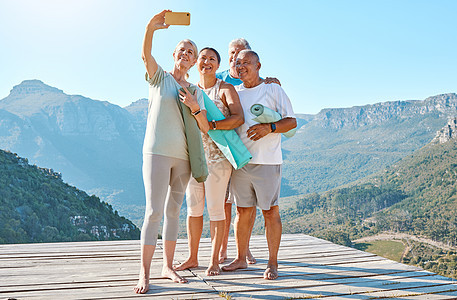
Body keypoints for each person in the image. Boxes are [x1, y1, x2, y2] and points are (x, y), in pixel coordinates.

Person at [134, 10, 210, 294]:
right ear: (175, 54)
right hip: (156, 154)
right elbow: (145, 55)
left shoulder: (196, 91)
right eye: (182, 49)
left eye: (191, 52)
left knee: (173, 212)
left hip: (183, 158)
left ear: (194, 60)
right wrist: (150, 27)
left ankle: (167, 267)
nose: (187, 54)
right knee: (153, 212)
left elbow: (204, 127)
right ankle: (144, 274)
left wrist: (194, 105)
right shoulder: (159, 78)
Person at [222, 50, 297, 280]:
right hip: (241, 161)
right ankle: (241, 258)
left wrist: (270, 128)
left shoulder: (273, 89)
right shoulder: (235, 92)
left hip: (267, 161)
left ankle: (272, 263)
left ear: (258, 65)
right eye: (238, 63)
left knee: (270, 212)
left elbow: (291, 121)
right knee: (242, 212)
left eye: (247, 62)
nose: (241, 65)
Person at [174, 47, 244, 276]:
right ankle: (193, 258)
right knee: (193, 210)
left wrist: (212, 125)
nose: (207, 62)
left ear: (218, 65)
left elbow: (238, 118)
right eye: (203, 58)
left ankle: (214, 261)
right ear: (196, 63)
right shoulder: (188, 89)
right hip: (195, 158)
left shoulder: (225, 89)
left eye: (212, 59)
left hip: (218, 159)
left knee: (215, 210)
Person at [217, 38, 280, 264]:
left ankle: (243, 251)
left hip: (250, 155)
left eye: (240, 53)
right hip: (225, 151)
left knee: (243, 208)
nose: (236, 58)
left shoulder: (260, 81)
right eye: (232, 53)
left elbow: (267, 95)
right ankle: (224, 249)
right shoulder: (219, 77)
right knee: (225, 204)